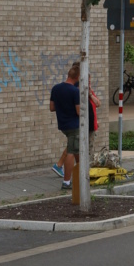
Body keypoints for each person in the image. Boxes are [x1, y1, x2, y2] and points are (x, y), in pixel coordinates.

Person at [50, 62, 81, 191]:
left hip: (63, 124)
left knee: (77, 149)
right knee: (71, 152)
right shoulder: (75, 91)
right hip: (74, 125)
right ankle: (66, 182)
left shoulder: (56, 88)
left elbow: (52, 108)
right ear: (77, 77)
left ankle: (83, 176)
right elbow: (79, 111)